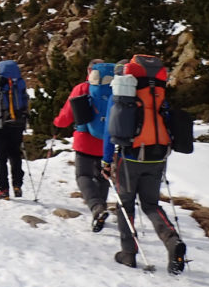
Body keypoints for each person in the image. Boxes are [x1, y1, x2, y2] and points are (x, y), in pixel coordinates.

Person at [102, 55, 187, 275]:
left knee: (125, 203)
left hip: (130, 157)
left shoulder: (123, 95)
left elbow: (110, 131)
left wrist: (106, 159)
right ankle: (172, 241)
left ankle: (128, 254)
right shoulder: (157, 94)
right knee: (151, 205)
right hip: (158, 155)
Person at [53, 59, 114, 232]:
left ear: (90, 70)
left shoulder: (82, 88)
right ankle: (100, 208)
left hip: (85, 141)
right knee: (103, 176)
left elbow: (66, 115)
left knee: (83, 176)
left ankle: (97, 208)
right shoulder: (116, 89)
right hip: (107, 144)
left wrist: (57, 122)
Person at [0, 60, 30, 200]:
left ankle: (4, 189)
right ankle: (17, 185)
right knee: (15, 155)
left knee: (1, 158)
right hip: (18, 124)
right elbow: (26, 101)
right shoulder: (20, 83)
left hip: (0, 126)